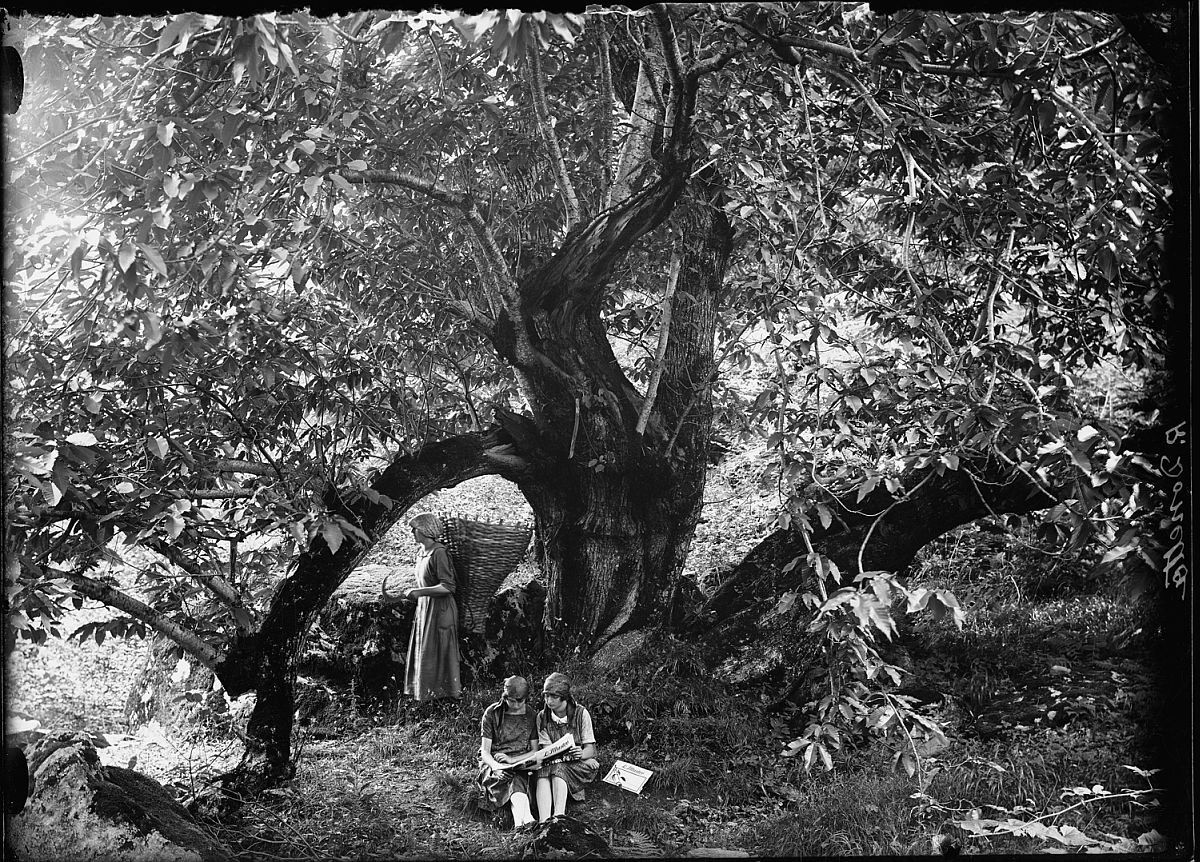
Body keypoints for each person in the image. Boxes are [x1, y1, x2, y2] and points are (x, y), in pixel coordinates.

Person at [398, 513, 461, 702]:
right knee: (426, 650)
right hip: (426, 608)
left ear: (426, 530)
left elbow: (448, 586)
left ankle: (445, 696)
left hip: (441, 609)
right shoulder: (421, 552)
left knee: (439, 652)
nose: (411, 532)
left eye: (414, 528)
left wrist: (419, 592)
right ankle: (426, 695)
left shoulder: (439, 552)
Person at [535, 672, 598, 821]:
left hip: (576, 765)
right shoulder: (542, 717)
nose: (549, 701)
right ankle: (544, 821)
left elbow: (591, 749)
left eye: (553, 697)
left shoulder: (581, 713)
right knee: (547, 769)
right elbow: (547, 750)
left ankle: (558, 817)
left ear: (564, 697)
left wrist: (581, 755)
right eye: (546, 696)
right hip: (553, 762)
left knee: (558, 768)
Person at [477, 676, 539, 829]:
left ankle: (520, 823)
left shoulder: (531, 714)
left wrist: (514, 760)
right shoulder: (492, 713)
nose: (516, 705)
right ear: (505, 697)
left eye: (520, 701)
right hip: (494, 761)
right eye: (512, 701)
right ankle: (525, 820)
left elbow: (535, 750)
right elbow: (485, 752)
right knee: (510, 777)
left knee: (517, 776)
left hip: (520, 760)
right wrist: (496, 767)